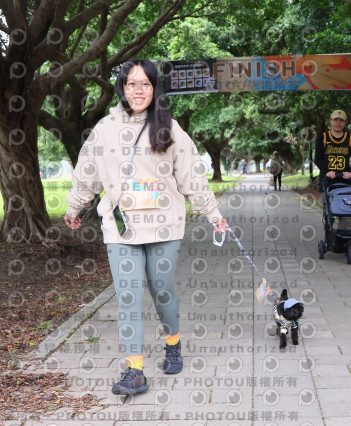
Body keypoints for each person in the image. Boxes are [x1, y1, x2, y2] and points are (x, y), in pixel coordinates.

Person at [64, 59, 229, 396]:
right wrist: (74, 207)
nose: (138, 91)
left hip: (164, 225)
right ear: (122, 88)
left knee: (161, 289)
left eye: (145, 84)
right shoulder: (104, 129)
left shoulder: (169, 127)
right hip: (121, 227)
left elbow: (192, 176)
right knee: (128, 295)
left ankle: (173, 344)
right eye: (131, 84)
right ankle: (135, 370)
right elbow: (87, 173)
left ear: (154, 89)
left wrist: (213, 213)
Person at [314, 109, 351, 193]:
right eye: (335, 120)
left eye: (341, 120)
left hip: (345, 180)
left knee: (346, 201)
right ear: (330, 120)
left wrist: (350, 172)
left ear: (345, 122)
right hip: (327, 180)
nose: (338, 123)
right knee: (326, 201)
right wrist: (327, 172)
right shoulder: (322, 138)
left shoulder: (350, 138)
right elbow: (318, 159)